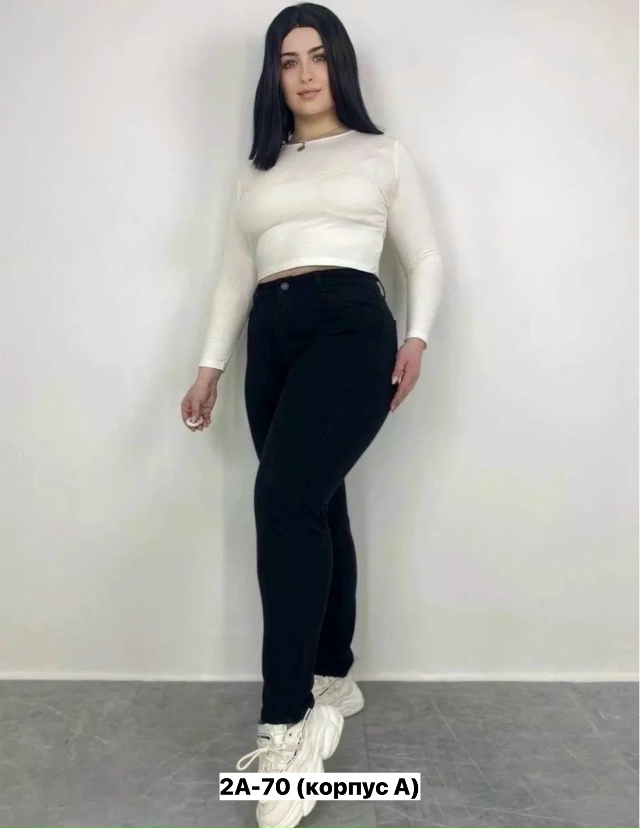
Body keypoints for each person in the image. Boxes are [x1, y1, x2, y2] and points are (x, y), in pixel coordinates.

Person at [180, 4, 443, 826]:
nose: (303, 73)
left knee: (284, 500)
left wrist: (419, 337)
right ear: (273, 75)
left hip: (350, 327)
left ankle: (287, 724)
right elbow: (235, 272)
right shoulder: (255, 170)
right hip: (271, 334)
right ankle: (333, 672)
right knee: (315, 504)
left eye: (318, 56)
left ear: (340, 66)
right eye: (288, 60)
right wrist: (210, 366)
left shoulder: (380, 152)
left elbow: (424, 255)